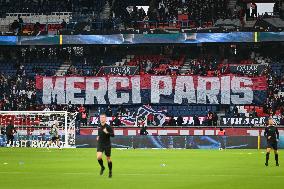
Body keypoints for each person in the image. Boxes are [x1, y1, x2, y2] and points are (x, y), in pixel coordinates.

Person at [97, 113, 115, 178]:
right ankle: (102, 167)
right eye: (101, 117)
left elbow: (113, 135)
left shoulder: (108, 127)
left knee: (108, 159)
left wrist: (107, 132)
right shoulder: (99, 126)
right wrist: (98, 136)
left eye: (103, 117)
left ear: (105, 118)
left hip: (107, 144)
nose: (102, 118)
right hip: (100, 144)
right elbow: (99, 133)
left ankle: (110, 171)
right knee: (98, 157)